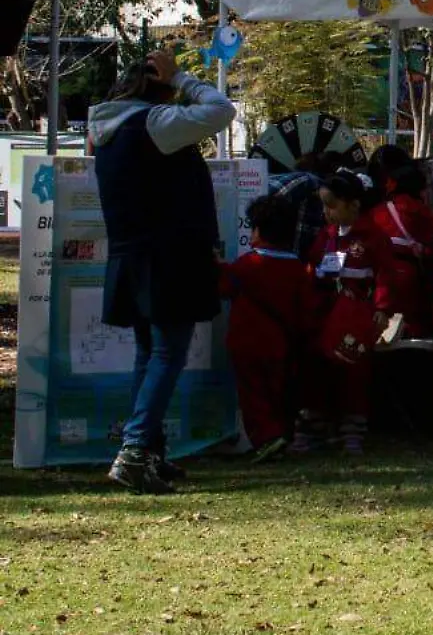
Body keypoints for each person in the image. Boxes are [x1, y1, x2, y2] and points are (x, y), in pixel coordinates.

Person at [89, 47, 238, 493]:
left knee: (147, 353)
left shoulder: (107, 129)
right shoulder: (153, 123)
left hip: (131, 253)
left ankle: (149, 451)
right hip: (167, 254)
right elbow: (220, 109)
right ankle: (135, 451)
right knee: (168, 353)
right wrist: (183, 79)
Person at [299, 171, 394, 456]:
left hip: (356, 315)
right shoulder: (324, 236)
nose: (326, 212)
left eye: (332, 205)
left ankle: (352, 431)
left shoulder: (373, 237)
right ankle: (315, 428)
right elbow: (312, 270)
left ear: (353, 205)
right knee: (317, 370)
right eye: (324, 206)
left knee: (353, 372)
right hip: (324, 315)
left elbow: (386, 275)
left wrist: (382, 309)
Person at [221, 194, 320, 464]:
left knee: (253, 394)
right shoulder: (298, 268)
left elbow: (223, 286)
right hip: (282, 345)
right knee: (277, 392)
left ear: (259, 230)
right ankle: (281, 433)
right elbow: (307, 310)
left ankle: (267, 438)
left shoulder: (248, 265)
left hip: (246, 343)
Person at [363, 163, 433, 339]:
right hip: (411, 274)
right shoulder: (423, 211)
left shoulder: (378, 211)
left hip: (382, 273)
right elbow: (431, 243)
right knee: (413, 324)